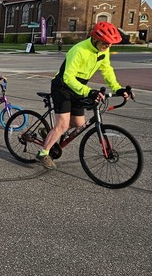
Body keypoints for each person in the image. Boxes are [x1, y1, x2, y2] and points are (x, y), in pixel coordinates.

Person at [35, 21, 131, 169]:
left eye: (110, 43)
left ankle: (50, 133)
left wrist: (117, 88)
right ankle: (43, 153)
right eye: (105, 43)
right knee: (62, 125)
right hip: (62, 87)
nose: (108, 46)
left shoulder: (103, 50)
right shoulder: (79, 50)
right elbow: (68, 78)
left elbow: (107, 70)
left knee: (79, 124)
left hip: (79, 88)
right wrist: (89, 91)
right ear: (96, 39)